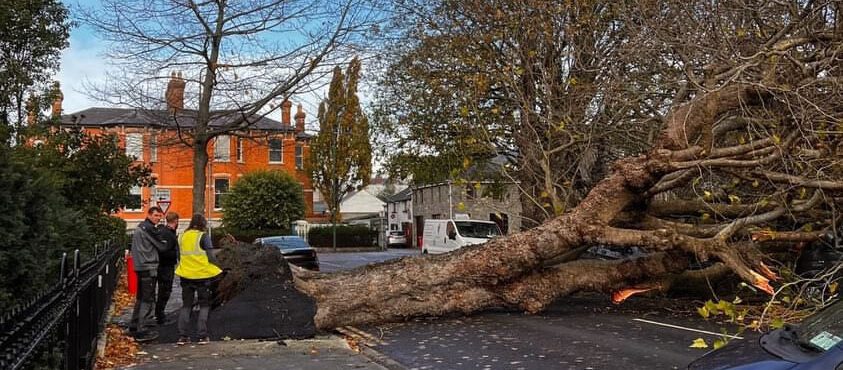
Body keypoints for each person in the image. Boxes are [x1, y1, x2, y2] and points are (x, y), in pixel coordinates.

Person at [175, 214, 222, 345]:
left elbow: (179, 256)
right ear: (203, 224)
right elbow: (211, 256)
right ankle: (202, 335)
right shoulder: (203, 236)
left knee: (186, 305)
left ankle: (182, 336)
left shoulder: (182, 236)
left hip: (185, 275)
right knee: (204, 305)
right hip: (202, 276)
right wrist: (219, 266)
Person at [129, 206, 164, 342]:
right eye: (155, 215)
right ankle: (142, 329)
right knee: (147, 298)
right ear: (149, 215)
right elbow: (162, 246)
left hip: (141, 266)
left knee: (141, 296)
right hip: (147, 266)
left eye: (159, 216)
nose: (158, 218)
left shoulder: (140, 227)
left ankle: (134, 325)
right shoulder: (148, 229)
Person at [154, 211, 179, 325]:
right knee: (165, 291)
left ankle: (159, 313)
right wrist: (174, 256)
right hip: (166, 266)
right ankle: (160, 315)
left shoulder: (164, 232)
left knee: (163, 290)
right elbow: (165, 250)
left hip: (162, 265)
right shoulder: (168, 234)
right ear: (176, 221)